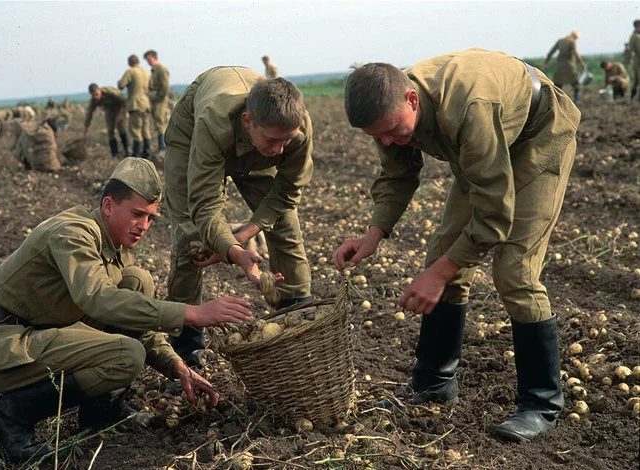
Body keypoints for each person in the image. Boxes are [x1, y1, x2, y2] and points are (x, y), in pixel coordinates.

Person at [334, 49, 580, 443]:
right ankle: (433, 383)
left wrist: (440, 273)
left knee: (514, 272)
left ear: (412, 99)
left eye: (392, 131)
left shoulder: (468, 108)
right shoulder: (389, 110)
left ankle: (542, 401)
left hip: (537, 134)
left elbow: (495, 215)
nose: (387, 141)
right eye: (377, 136)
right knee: (443, 257)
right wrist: (373, 234)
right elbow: (398, 175)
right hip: (484, 149)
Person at [0, 157, 253, 464]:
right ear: (109, 205)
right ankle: (9, 417)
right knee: (127, 356)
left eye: (151, 218)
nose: (144, 226)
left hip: (41, 329)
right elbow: (98, 299)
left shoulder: (117, 242)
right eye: (137, 214)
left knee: (137, 282)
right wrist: (192, 313)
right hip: (3, 343)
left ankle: (101, 411)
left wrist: (176, 365)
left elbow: (131, 316)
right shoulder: (73, 233)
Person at [164, 67, 313, 365]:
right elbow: (205, 206)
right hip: (193, 129)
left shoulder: (293, 129)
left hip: (251, 137)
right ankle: (187, 345)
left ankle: (298, 323)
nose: (280, 149)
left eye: (287, 140)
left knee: (284, 224)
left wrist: (243, 237)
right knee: (191, 238)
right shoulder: (212, 124)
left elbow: (287, 190)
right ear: (248, 122)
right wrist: (234, 252)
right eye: (274, 140)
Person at [82, 83, 130, 158]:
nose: (95, 97)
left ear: (100, 90)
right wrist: (84, 133)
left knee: (121, 128)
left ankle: (127, 150)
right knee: (110, 130)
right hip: (109, 109)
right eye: (93, 95)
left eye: (96, 94)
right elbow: (89, 115)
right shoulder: (93, 100)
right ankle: (115, 154)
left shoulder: (110, 92)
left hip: (119, 107)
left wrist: (121, 115)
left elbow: (124, 100)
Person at [118, 54, 152, 159]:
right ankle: (147, 152)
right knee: (146, 129)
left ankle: (136, 154)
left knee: (135, 129)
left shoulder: (130, 72)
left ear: (129, 63)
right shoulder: (146, 72)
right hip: (146, 104)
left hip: (135, 104)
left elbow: (121, 85)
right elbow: (151, 86)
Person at [542, 30, 587, 104]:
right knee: (576, 83)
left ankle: (553, 101)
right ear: (575, 36)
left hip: (560, 65)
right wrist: (582, 64)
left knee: (557, 84)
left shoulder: (560, 41)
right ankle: (577, 100)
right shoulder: (572, 42)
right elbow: (576, 53)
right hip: (569, 65)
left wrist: (546, 63)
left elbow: (551, 52)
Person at [144, 49, 170, 156]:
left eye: (149, 59)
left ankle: (163, 148)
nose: (148, 61)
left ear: (154, 57)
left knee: (161, 124)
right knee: (158, 124)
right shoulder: (154, 70)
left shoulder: (161, 70)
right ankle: (160, 147)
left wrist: (158, 98)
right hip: (155, 101)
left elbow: (165, 87)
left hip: (160, 101)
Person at [629, 19, 640, 101]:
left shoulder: (633, 36)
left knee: (636, 81)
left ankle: (632, 98)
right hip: (639, 62)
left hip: (636, 62)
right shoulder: (637, 37)